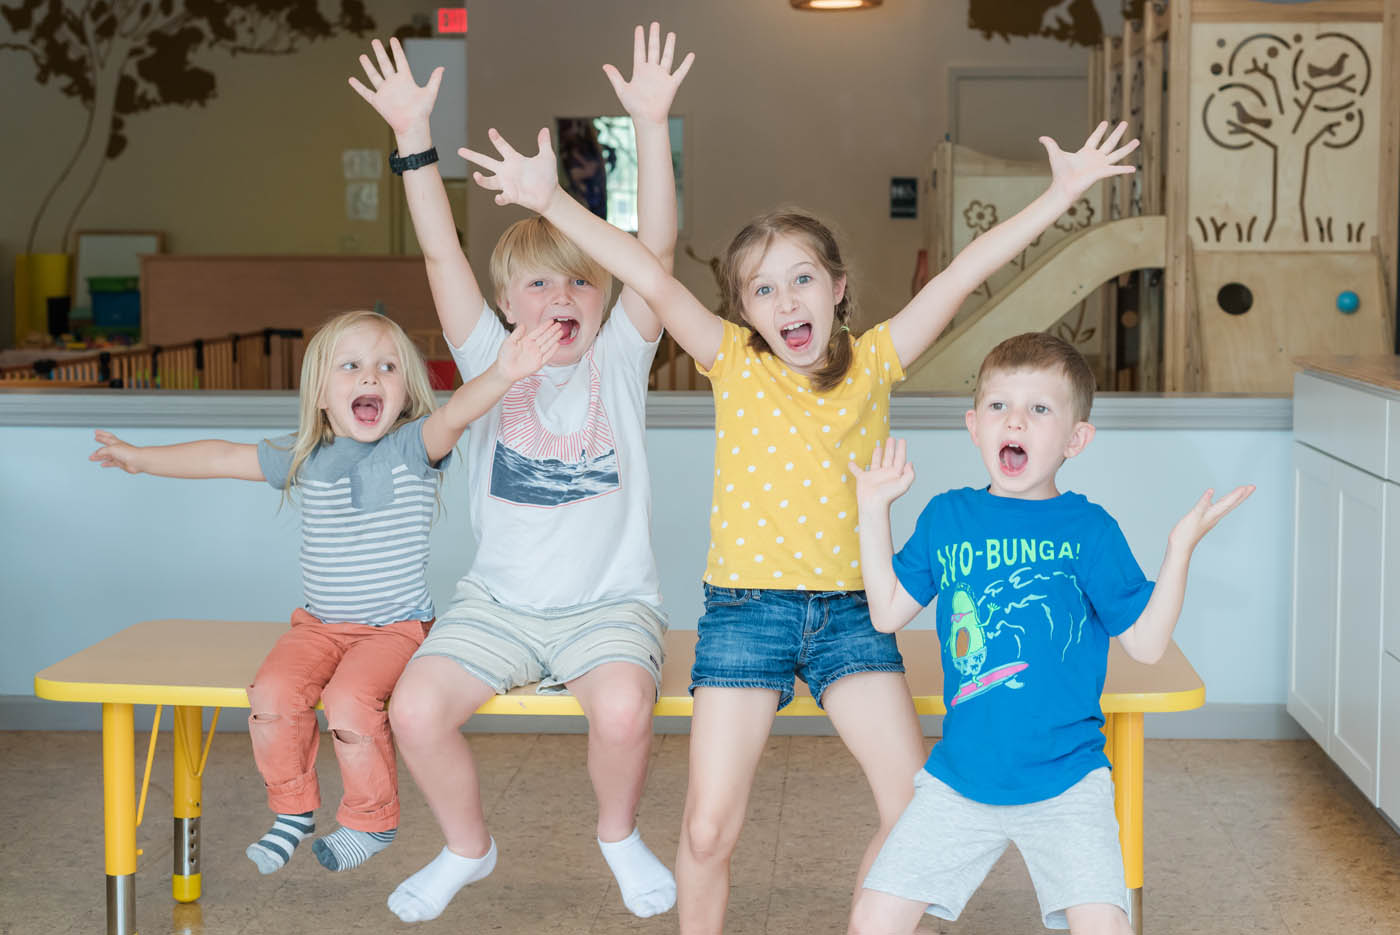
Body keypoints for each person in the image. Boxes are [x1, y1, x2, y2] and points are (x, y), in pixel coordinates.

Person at [462, 98, 1140, 927]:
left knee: (910, 809)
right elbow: (645, 274)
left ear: (839, 288)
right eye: (763, 288)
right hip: (747, 613)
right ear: (746, 310)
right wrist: (551, 203)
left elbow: (965, 274)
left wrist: (1060, 193)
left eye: (803, 279)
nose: (786, 300)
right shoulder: (731, 362)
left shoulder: (879, 361)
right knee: (709, 828)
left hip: (856, 613)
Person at [349, 24, 693, 923]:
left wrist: (650, 124)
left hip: (609, 605)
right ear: (506, 306)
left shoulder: (620, 358)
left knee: (623, 711)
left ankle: (617, 833)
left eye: (579, 283)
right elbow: (439, 255)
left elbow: (654, 259)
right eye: (537, 287)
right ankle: (468, 847)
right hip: (494, 605)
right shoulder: (486, 357)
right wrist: (412, 142)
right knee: (416, 712)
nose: (560, 300)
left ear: (603, 296)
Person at [89, 309, 562, 875]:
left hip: (394, 630)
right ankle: (293, 811)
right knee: (270, 693)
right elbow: (219, 456)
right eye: (352, 366)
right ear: (319, 393)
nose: (370, 378)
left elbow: (459, 410)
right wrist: (139, 459)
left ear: (406, 390)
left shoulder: (414, 445)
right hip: (318, 627)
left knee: (348, 703)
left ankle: (372, 819)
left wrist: (504, 372)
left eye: (387, 367)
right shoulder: (304, 457)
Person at [848, 332, 1254, 934]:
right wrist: (872, 508)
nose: (1015, 419)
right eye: (999, 406)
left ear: (1075, 438)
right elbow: (885, 612)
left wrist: (1178, 550)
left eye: (1039, 409)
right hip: (958, 782)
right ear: (974, 426)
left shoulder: (1089, 529)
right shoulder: (947, 516)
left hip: (1068, 784)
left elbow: (1144, 644)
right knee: (872, 924)